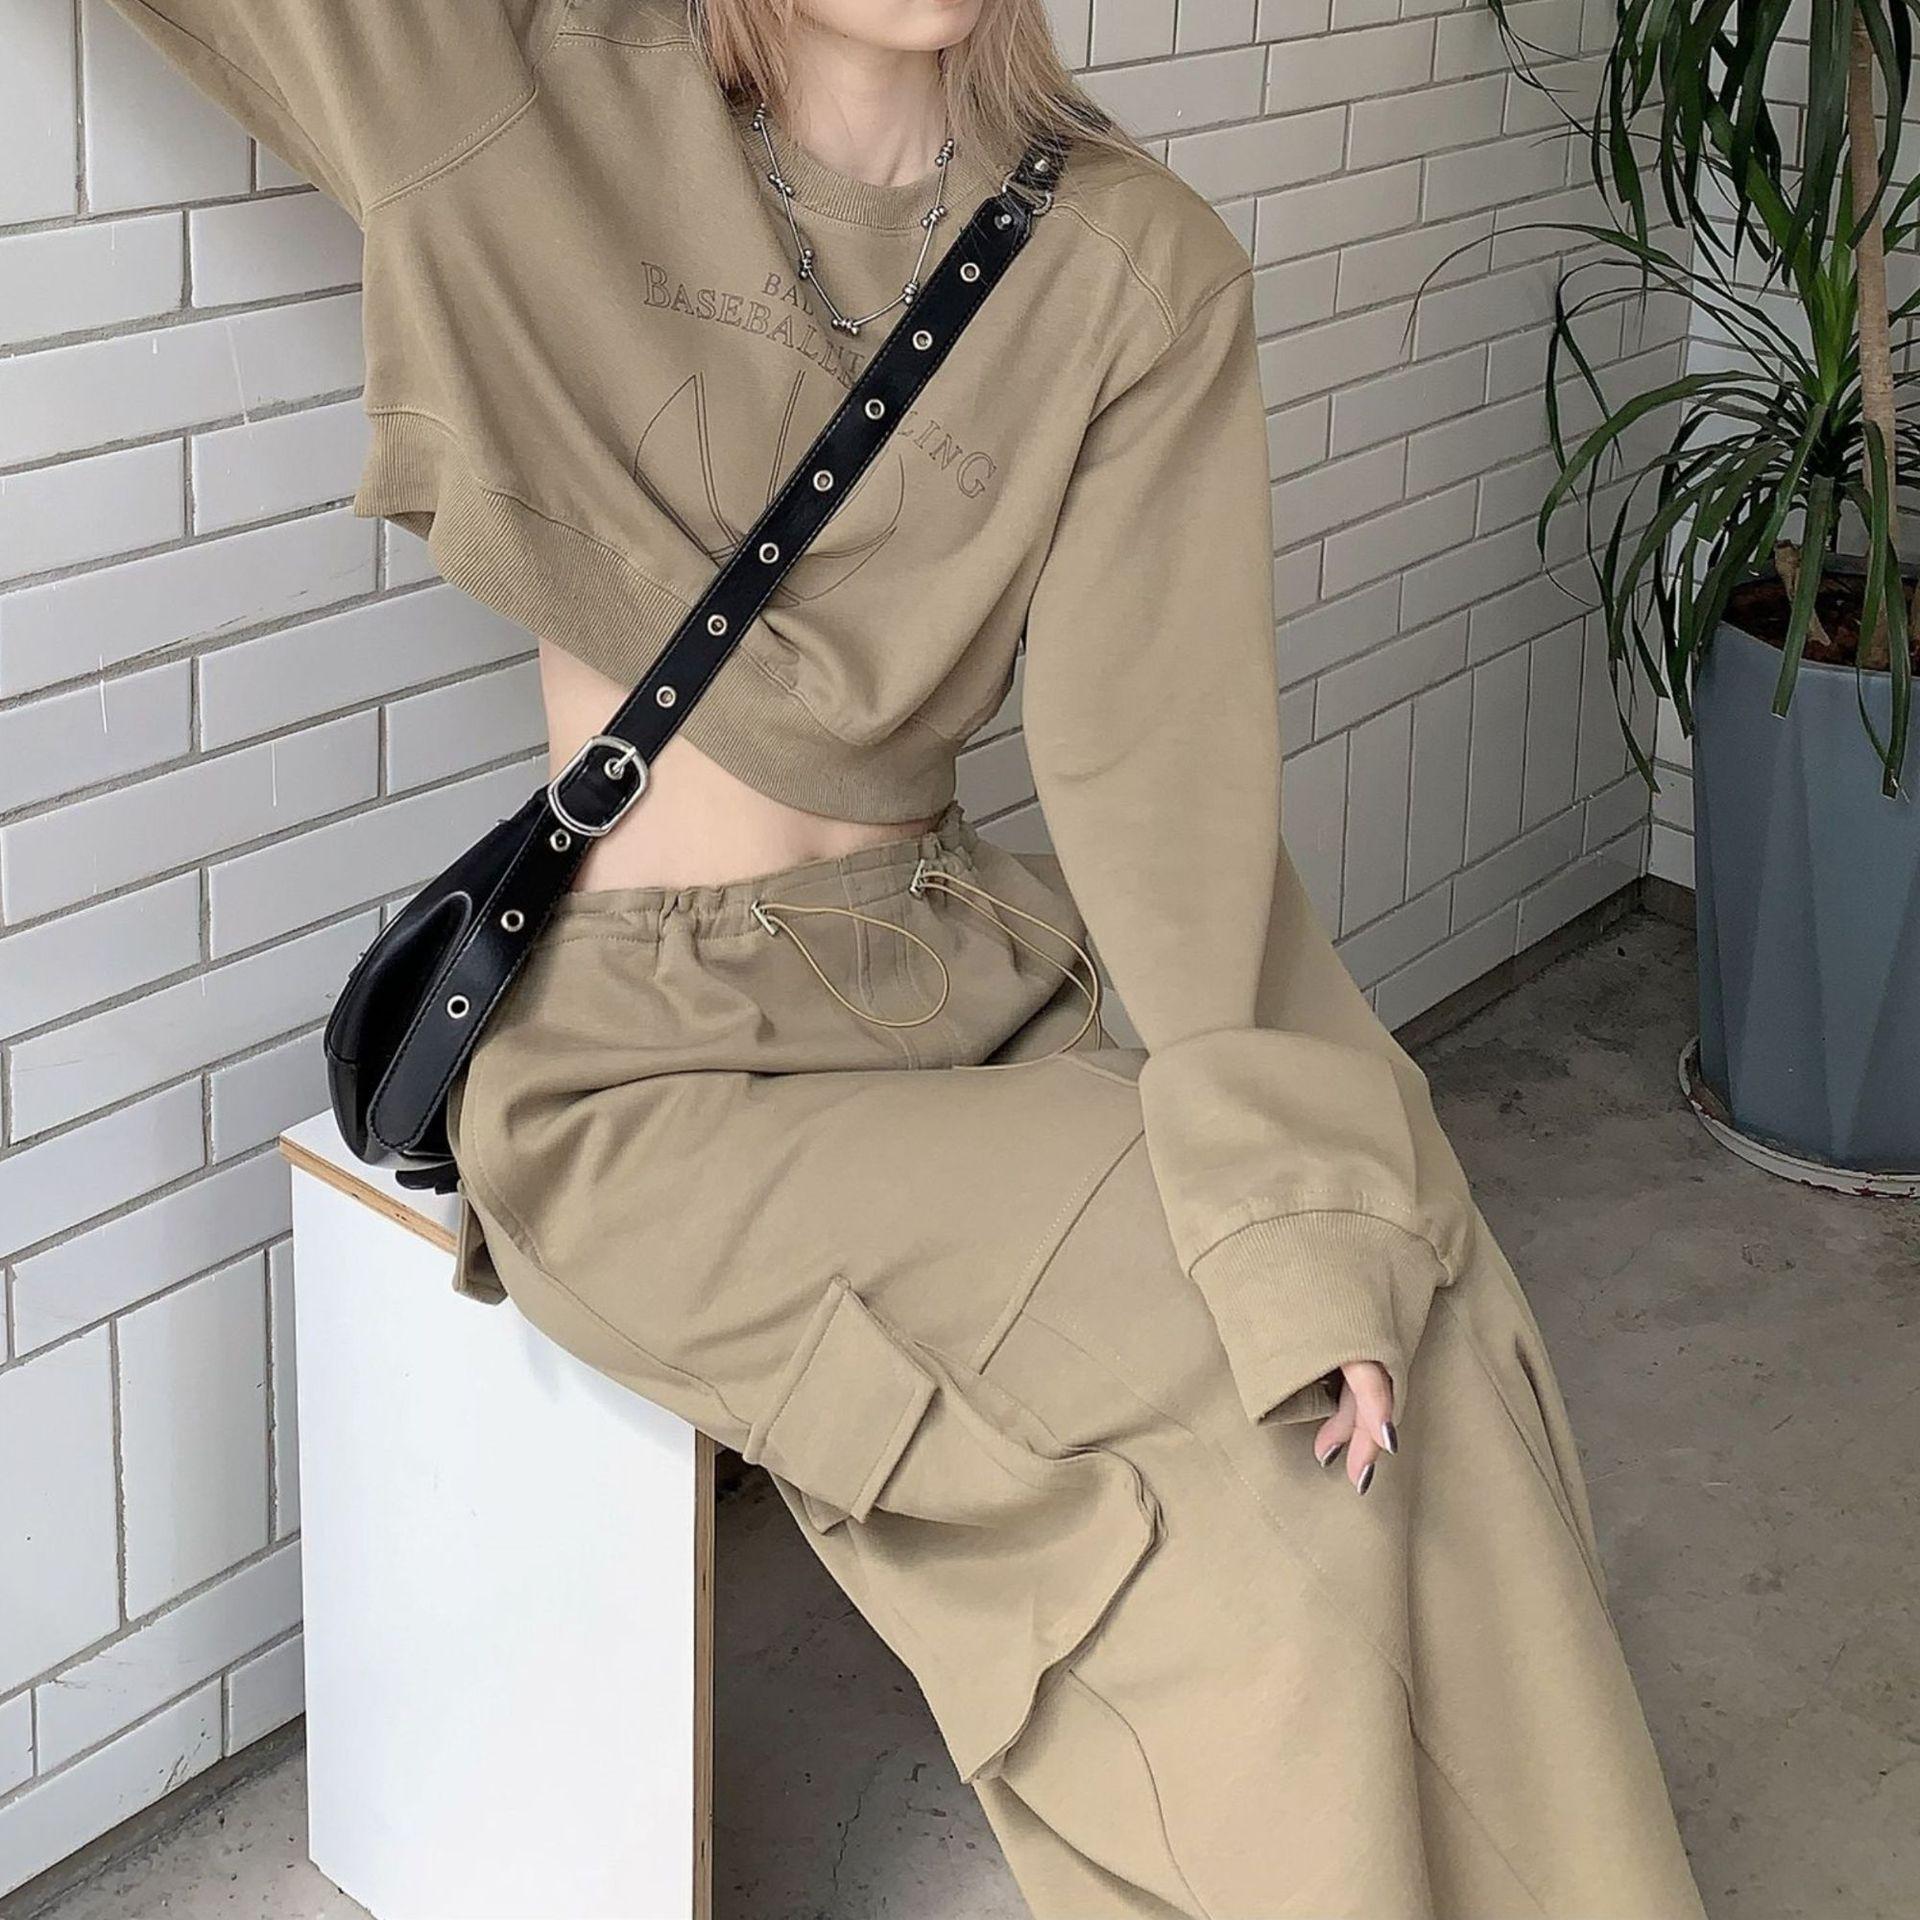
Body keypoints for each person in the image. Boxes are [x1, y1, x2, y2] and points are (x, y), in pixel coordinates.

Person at [102, 0, 1708, 1911]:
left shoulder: (1131, 264)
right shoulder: (517, 104)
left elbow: (1166, 785)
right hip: (652, 1063)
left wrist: (1302, 1214)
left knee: (1411, 1272)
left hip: (961, 973)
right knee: (1215, 1360)